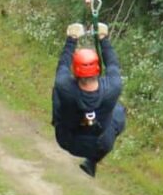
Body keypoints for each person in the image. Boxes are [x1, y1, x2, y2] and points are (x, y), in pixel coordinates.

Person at [51, 21, 126, 177]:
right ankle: (93, 159)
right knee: (119, 110)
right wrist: (103, 38)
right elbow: (112, 64)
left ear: (76, 71)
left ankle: (56, 121)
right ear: (97, 70)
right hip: (100, 145)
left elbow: (63, 65)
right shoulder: (113, 87)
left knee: (57, 93)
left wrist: (72, 38)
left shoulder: (64, 86)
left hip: (67, 140)